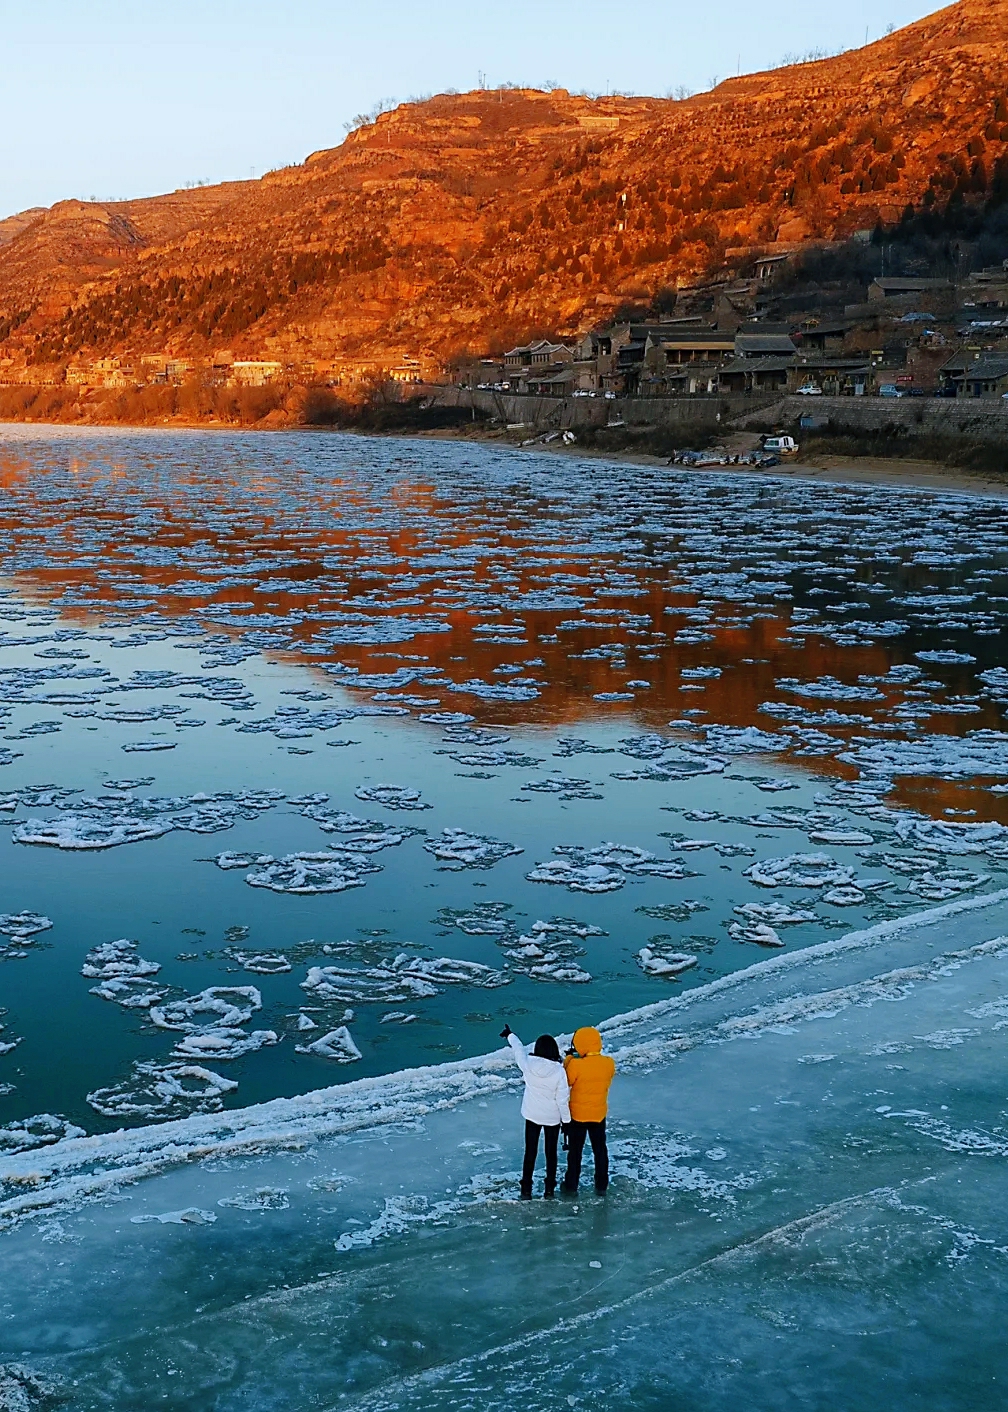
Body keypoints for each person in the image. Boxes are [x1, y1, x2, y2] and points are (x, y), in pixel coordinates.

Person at [500, 1023, 571, 1199]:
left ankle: (526, 1188)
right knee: (551, 1153)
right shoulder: (559, 1071)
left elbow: (518, 1050)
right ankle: (549, 1189)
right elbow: (562, 1100)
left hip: (532, 1114)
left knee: (530, 1151)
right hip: (552, 1118)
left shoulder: (528, 1064)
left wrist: (510, 1035)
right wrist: (567, 1122)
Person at [562, 1026, 616, 1195]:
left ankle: (571, 1185)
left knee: (575, 1153)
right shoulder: (609, 1063)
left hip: (578, 1116)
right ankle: (601, 1184)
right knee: (600, 1149)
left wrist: (569, 1059)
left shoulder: (576, 1065)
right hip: (599, 1114)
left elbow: (566, 1082)